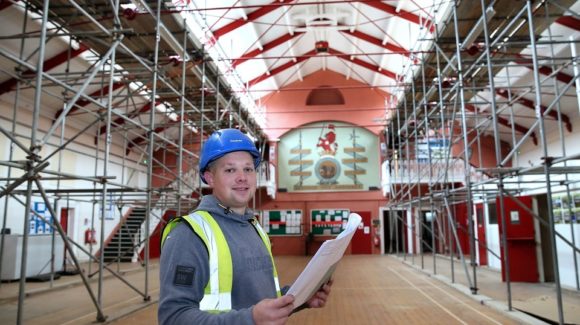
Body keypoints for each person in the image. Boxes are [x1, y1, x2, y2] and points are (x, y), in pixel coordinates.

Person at [158, 128, 332, 325]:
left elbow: (260, 298)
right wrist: (250, 319)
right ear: (210, 178)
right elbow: (173, 317)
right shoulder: (190, 234)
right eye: (230, 170)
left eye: (248, 169)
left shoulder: (254, 228)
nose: (242, 177)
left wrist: (299, 299)